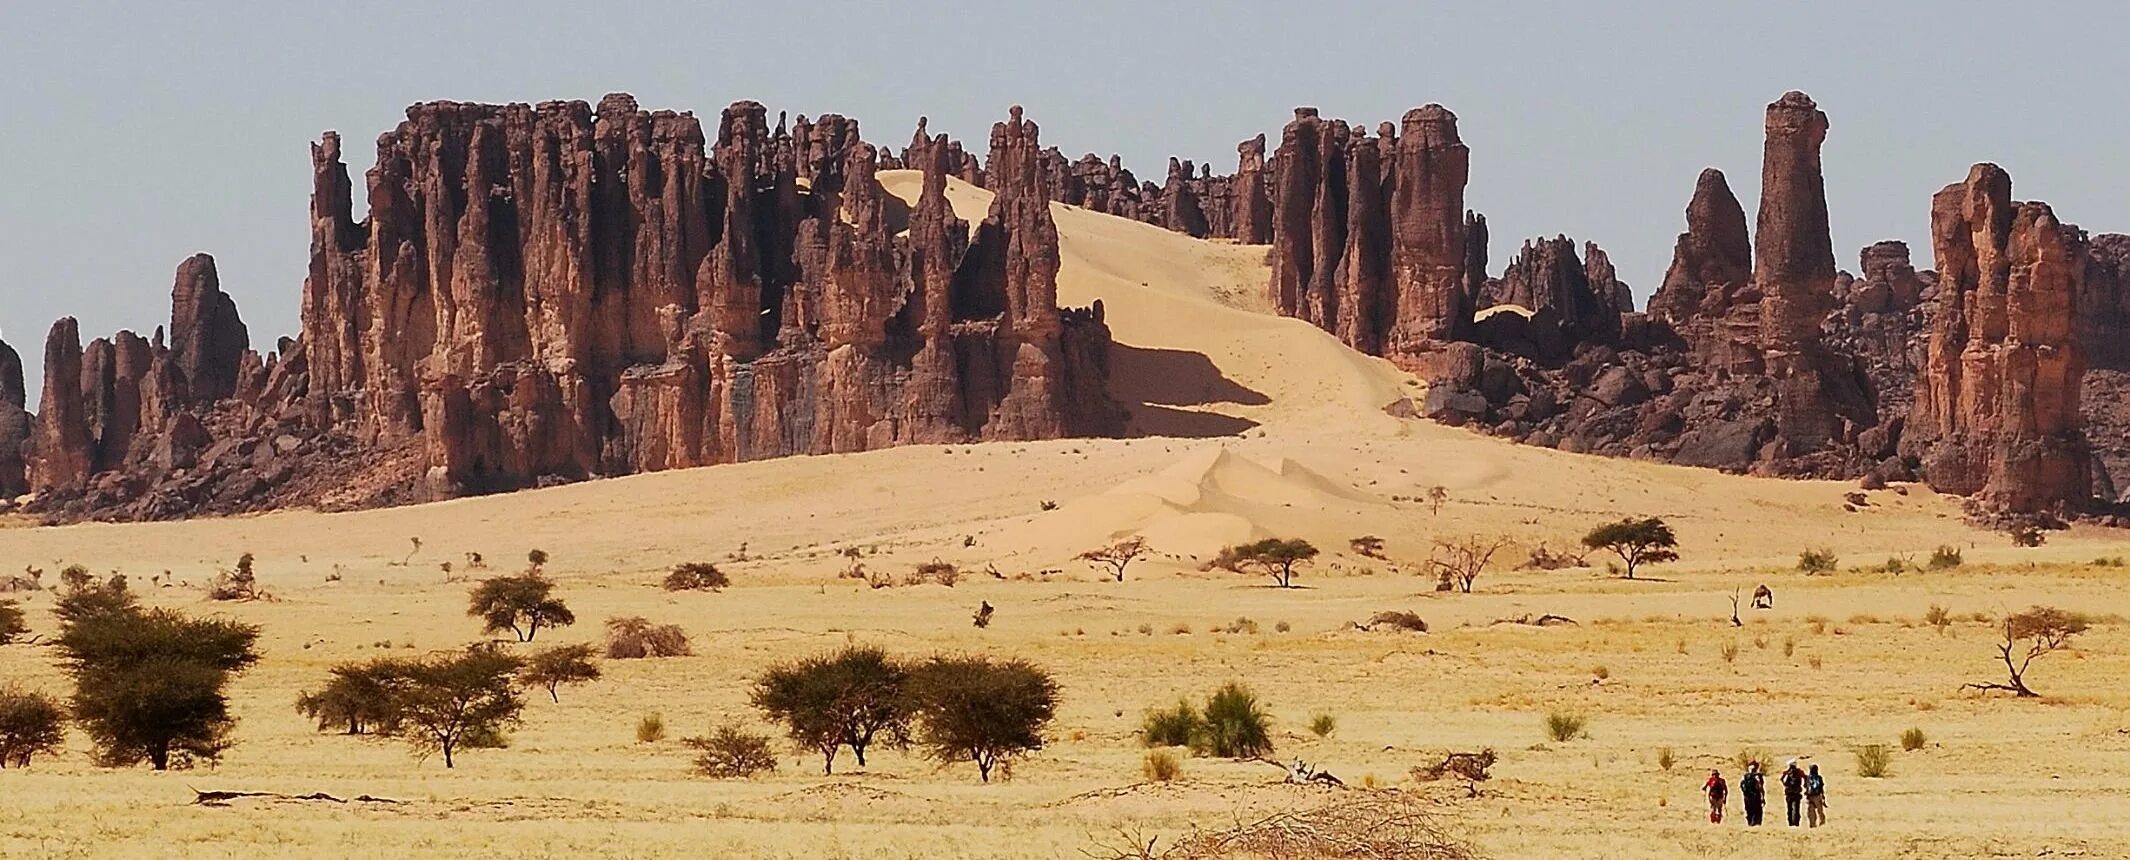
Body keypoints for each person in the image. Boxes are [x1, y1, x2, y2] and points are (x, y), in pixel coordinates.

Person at [1780, 759, 1807, 827]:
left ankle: (1790, 823)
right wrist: (1805, 785)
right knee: (1796, 808)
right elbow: (1805, 777)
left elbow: (1781, 779)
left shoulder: (1787, 772)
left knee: (1789, 809)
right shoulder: (1799, 772)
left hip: (1788, 793)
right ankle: (1796, 823)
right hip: (1797, 793)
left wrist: (1785, 785)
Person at [1739, 760, 1766, 826]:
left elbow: (1741, 786)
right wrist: (1762, 797)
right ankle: (1756, 823)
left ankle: (1750, 823)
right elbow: (1760, 787)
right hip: (1755, 796)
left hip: (1746, 797)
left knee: (1749, 810)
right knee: (1757, 811)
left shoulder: (1744, 777)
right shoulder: (1757, 776)